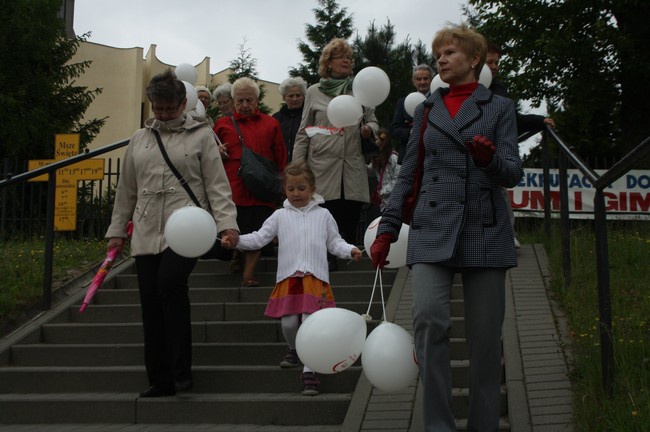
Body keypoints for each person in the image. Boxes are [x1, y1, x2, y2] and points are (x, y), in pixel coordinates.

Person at [370, 24, 523, 431]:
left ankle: (484, 424)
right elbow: (408, 176)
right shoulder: (425, 110)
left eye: (450, 52)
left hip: (484, 227)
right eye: (438, 54)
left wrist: (488, 159)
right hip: (432, 226)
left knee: (486, 339)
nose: (440, 59)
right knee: (429, 321)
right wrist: (388, 229)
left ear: (474, 59)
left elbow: (511, 172)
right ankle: (438, 424)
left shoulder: (500, 108)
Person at [105, 69, 239, 398]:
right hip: (148, 227)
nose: (163, 114)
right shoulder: (139, 139)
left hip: (188, 226)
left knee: (170, 285)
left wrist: (227, 225)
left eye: (170, 108)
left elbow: (217, 186)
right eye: (157, 108)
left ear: (183, 103)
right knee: (151, 303)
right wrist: (116, 231)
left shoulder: (202, 136)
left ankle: (181, 372)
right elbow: (126, 191)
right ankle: (160, 379)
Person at [222, 161, 362, 395]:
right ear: (284, 190)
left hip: (315, 277)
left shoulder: (324, 215)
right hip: (288, 277)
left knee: (310, 322)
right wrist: (236, 241)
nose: (296, 193)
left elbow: (335, 242)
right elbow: (259, 238)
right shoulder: (279, 216)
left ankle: (309, 371)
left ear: (313, 189)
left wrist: (350, 250)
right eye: (291, 189)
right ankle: (295, 348)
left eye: (302, 188)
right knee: (288, 323)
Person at [292, 37, 379, 271]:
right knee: (324, 212)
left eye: (350, 58)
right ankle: (325, 258)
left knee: (349, 212)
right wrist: (297, 168)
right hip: (321, 165)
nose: (347, 61)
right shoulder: (313, 91)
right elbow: (303, 132)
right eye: (342, 57)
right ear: (328, 63)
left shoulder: (360, 89)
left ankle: (347, 256)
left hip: (351, 164)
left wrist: (369, 129)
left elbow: (373, 120)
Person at [214, 77, 287, 287]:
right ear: (233, 101)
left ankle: (248, 273)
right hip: (234, 188)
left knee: (258, 230)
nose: (244, 106)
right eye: (240, 101)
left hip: (262, 189)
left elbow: (280, 155)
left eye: (249, 100)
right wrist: (215, 151)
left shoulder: (271, 123)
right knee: (237, 227)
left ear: (257, 100)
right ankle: (238, 253)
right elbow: (207, 154)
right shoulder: (222, 124)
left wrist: (282, 183)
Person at [486, 42, 556, 248]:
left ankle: (508, 234)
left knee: (499, 191)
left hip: (492, 150)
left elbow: (512, 118)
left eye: (497, 62)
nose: (495, 66)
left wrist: (539, 121)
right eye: (490, 61)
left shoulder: (499, 88)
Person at [390, 64, 435, 165]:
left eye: (425, 78)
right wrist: (412, 132)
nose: (422, 82)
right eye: (418, 79)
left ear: (431, 80)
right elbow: (394, 129)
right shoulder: (403, 102)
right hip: (409, 156)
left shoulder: (439, 101)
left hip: (434, 156)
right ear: (414, 82)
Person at [273, 77, 308, 161]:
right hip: (280, 166)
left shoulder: (308, 116)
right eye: (291, 96)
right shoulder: (276, 119)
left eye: (298, 95)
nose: (295, 99)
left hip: (303, 165)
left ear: (303, 96)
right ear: (284, 97)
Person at [367, 128, 400, 211]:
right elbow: (370, 171)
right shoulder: (378, 158)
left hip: (394, 201)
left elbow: (398, 178)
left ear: (383, 141)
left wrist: (383, 192)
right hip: (384, 203)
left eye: (377, 139)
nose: (375, 142)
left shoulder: (393, 158)